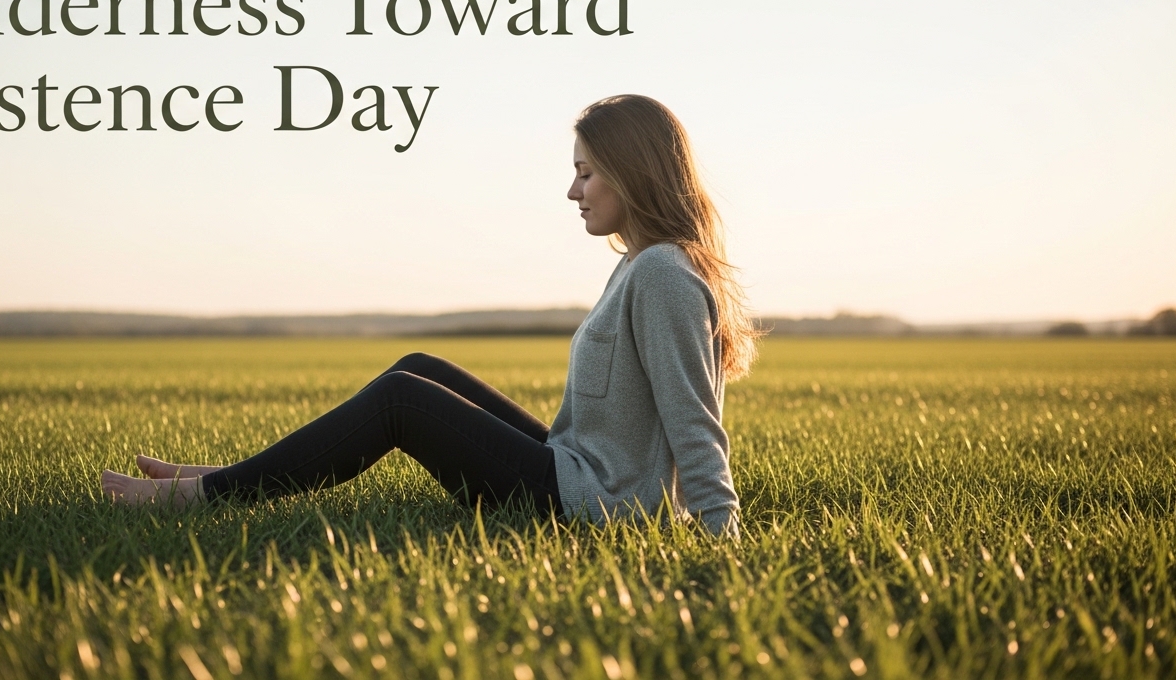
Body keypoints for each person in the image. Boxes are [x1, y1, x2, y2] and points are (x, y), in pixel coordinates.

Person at [102, 94, 759, 533]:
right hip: (577, 471)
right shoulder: (640, 265)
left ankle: (207, 496)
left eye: (586, 173)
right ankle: (230, 478)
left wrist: (718, 538)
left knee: (401, 400)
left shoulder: (665, 273)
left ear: (631, 171)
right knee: (419, 368)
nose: (572, 191)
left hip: (592, 506)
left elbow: (694, 423)